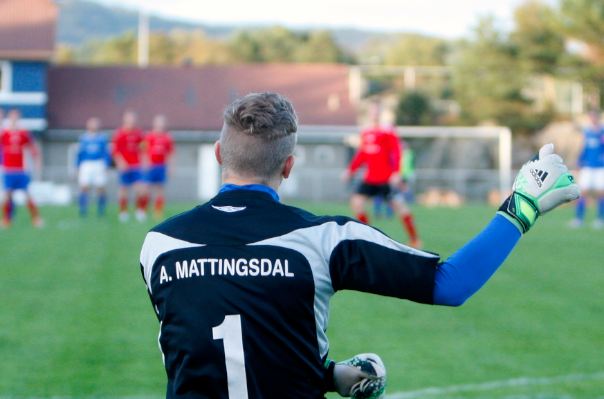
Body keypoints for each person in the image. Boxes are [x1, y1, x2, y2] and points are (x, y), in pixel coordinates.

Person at [139, 92, 580, 399]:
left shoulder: (158, 246)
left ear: (219, 154)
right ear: (288, 166)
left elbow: (208, 353)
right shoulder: (325, 239)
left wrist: (330, 375)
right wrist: (522, 206)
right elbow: (450, 284)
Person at [343, 101, 421, 248]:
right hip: (370, 179)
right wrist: (350, 170)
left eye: (377, 111)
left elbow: (396, 151)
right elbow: (362, 154)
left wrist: (396, 172)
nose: (375, 114)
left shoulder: (387, 131)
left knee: (400, 206)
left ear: (380, 113)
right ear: (369, 114)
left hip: (386, 179)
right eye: (373, 111)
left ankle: (414, 238)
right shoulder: (366, 132)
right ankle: (366, 237)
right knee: (356, 202)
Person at [569, 110, 604, 229]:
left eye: (594, 117)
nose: (592, 120)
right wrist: (579, 162)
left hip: (600, 166)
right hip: (587, 166)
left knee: (601, 193)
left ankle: (600, 220)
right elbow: (584, 148)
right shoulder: (587, 131)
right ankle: (579, 219)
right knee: (582, 192)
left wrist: (600, 133)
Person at [1, 109, 44, 228]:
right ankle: (6, 219)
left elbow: (32, 146)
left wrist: (37, 160)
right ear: (9, 119)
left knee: (28, 194)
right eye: (12, 117)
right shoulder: (5, 133)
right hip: (8, 169)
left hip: (21, 169)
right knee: (7, 195)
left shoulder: (23, 133)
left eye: (16, 117)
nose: (14, 119)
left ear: (19, 118)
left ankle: (36, 218)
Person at [112, 110, 146, 223]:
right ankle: (123, 212)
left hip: (136, 165)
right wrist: (121, 163)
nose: (131, 121)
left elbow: (143, 147)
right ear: (125, 120)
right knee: (123, 189)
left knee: (139, 189)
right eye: (129, 119)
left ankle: (139, 210)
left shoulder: (138, 133)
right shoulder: (120, 133)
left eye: (133, 119)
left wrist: (144, 160)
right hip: (125, 166)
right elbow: (115, 151)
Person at [76, 117, 111, 217]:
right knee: (84, 186)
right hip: (86, 163)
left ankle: (101, 210)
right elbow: (79, 153)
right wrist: (77, 166)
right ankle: (83, 210)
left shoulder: (102, 138)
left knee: (101, 187)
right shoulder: (83, 138)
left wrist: (106, 164)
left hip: (98, 163)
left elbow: (106, 153)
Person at [143, 114, 174, 219]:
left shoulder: (167, 137)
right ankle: (144, 211)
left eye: (162, 122)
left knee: (160, 189)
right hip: (151, 166)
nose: (160, 124)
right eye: (158, 122)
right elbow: (144, 151)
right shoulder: (149, 136)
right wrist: (145, 163)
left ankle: (158, 211)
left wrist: (170, 167)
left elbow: (170, 153)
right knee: (147, 189)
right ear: (154, 123)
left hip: (162, 166)